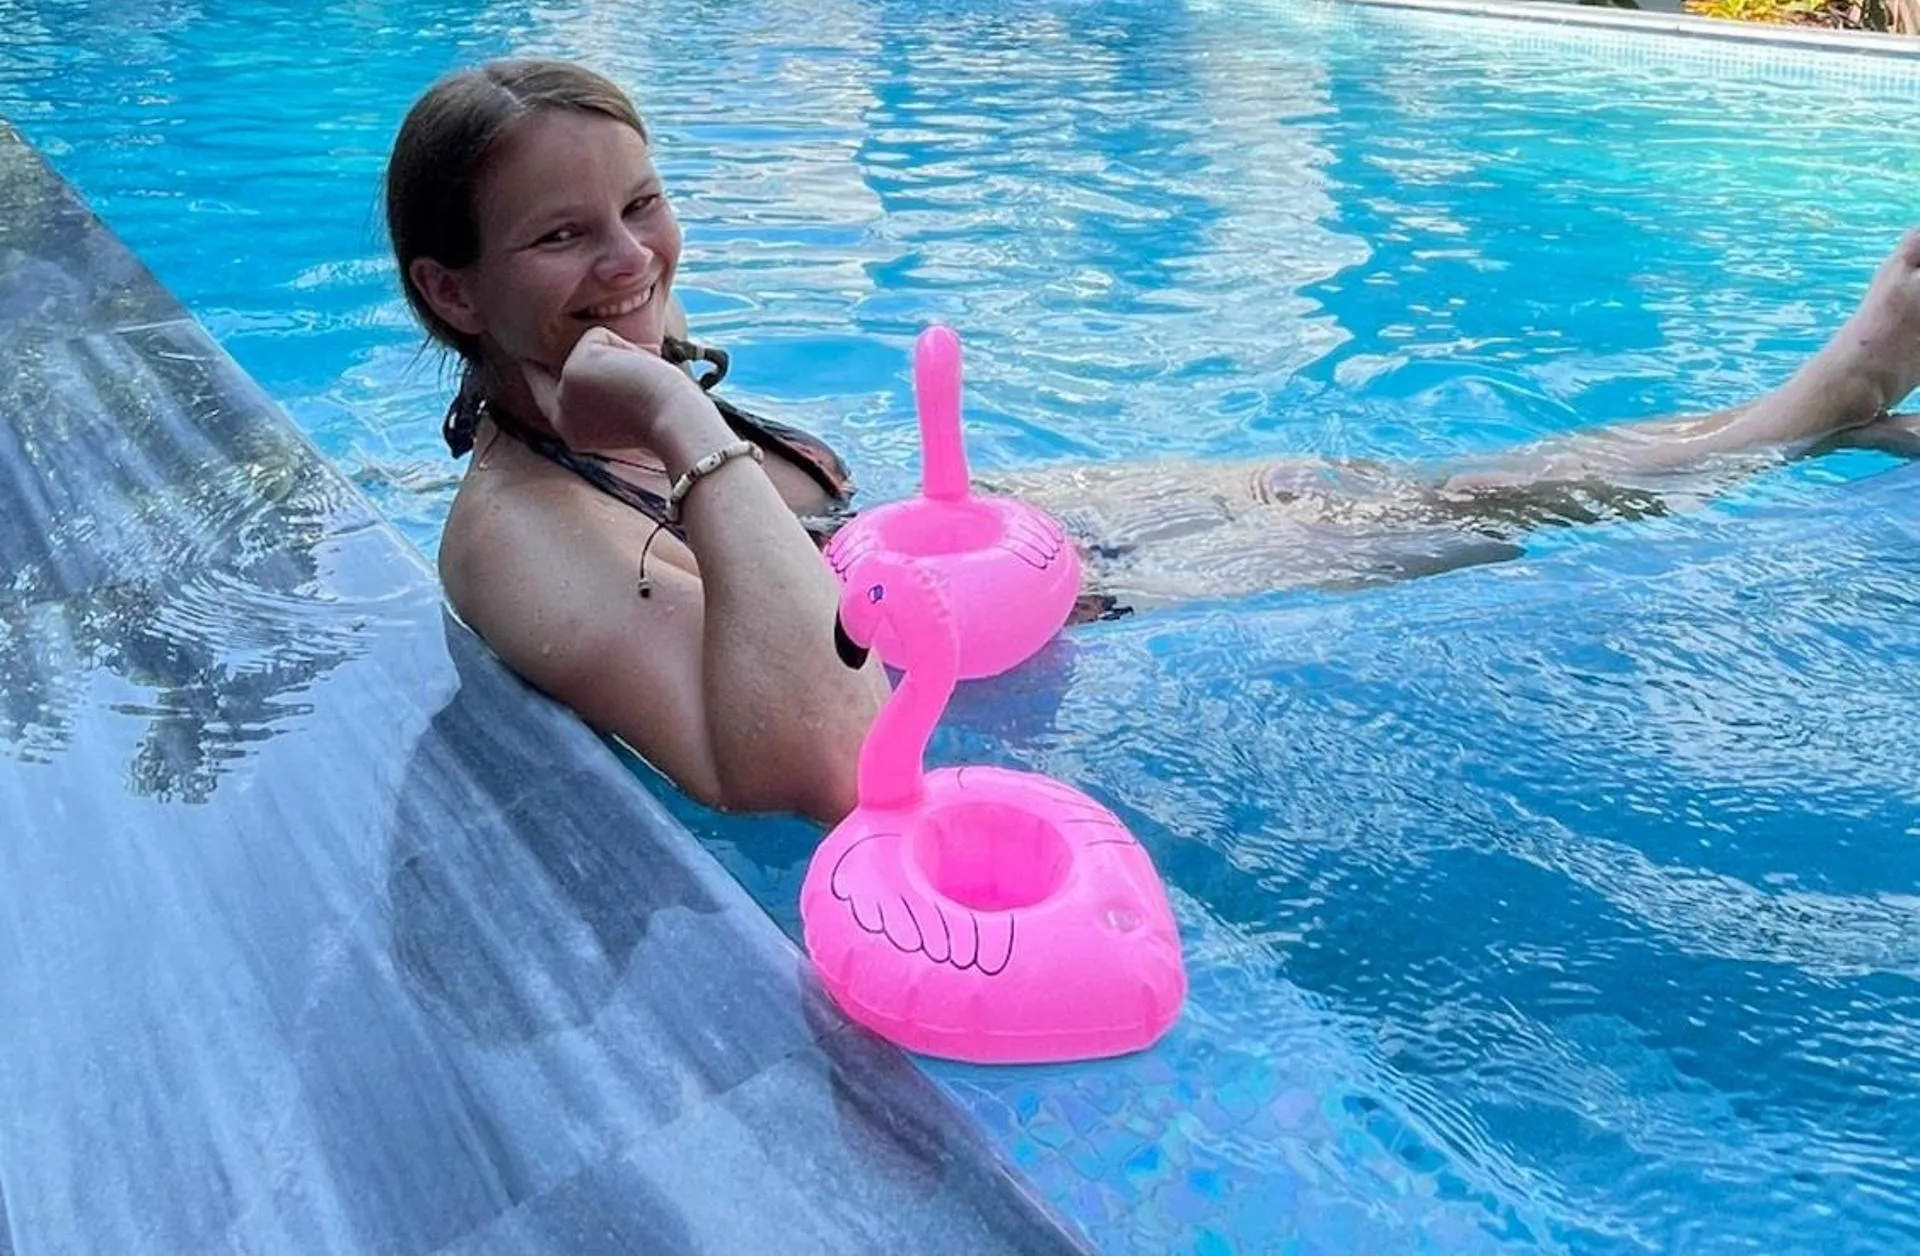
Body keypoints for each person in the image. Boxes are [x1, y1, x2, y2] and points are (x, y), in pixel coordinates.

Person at [386, 56, 1920, 823]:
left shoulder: (617, 386)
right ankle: (1800, 421)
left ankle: (1787, 413)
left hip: (983, 555)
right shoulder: (520, 529)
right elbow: (818, 760)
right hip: (991, 656)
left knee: (1330, 482)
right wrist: (677, 420)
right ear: (450, 288)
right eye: (563, 235)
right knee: (1436, 530)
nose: (633, 259)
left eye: (642, 206)